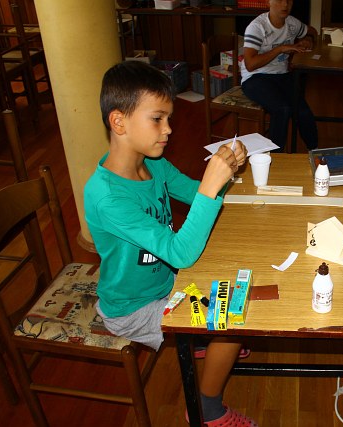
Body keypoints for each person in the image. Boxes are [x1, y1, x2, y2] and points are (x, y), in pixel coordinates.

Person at [84, 60, 257, 426]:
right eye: (157, 119)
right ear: (119, 122)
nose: (169, 129)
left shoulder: (152, 164)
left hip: (167, 284)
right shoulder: (108, 197)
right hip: (132, 309)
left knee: (236, 281)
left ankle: (199, 342)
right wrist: (211, 185)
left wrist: (226, 172)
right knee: (231, 323)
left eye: (169, 119)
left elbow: (196, 194)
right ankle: (207, 410)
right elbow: (181, 253)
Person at [240, 0, 318, 152]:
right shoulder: (257, 27)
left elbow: (312, 31)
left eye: (289, 1)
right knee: (282, 109)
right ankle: (276, 157)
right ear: (268, 2)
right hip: (255, 78)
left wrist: (307, 40)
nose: (285, 5)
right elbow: (250, 64)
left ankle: (315, 152)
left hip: (281, 75)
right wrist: (280, 49)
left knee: (303, 111)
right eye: (279, 0)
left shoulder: (292, 23)